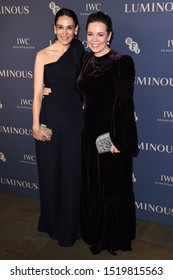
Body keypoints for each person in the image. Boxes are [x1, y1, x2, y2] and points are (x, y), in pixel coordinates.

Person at [77, 11, 139, 255]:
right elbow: (78, 91)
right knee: (93, 184)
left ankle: (111, 236)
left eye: (100, 34)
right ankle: (93, 230)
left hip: (109, 135)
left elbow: (124, 103)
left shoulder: (121, 61)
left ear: (109, 36)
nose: (94, 39)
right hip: (88, 134)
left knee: (110, 185)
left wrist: (116, 138)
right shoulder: (84, 59)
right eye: (90, 34)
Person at [32, 8, 84, 247]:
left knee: (72, 175)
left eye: (70, 28)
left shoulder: (80, 52)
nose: (65, 33)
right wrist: (35, 125)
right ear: (54, 28)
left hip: (75, 121)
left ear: (76, 30)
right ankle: (52, 223)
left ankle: (71, 226)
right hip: (49, 120)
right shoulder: (42, 55)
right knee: (50, 173)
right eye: (60, 27)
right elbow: (36, 95)